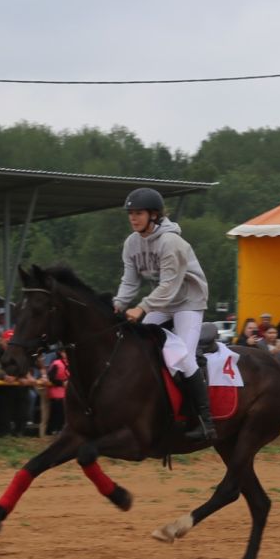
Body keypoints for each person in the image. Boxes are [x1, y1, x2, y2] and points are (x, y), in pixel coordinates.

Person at [111, 187, 215, 441]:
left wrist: (142, 308)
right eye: (130, 213)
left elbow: (170, 285)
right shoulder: (131, 243)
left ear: (154, 215)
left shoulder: (172, 243)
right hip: (161, 303)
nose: (133, 218)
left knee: (182, 357)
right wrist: (117, 304)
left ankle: (205, 422)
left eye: (139, 213)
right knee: (140, 347)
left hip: (188, 301)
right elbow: (130, 281)